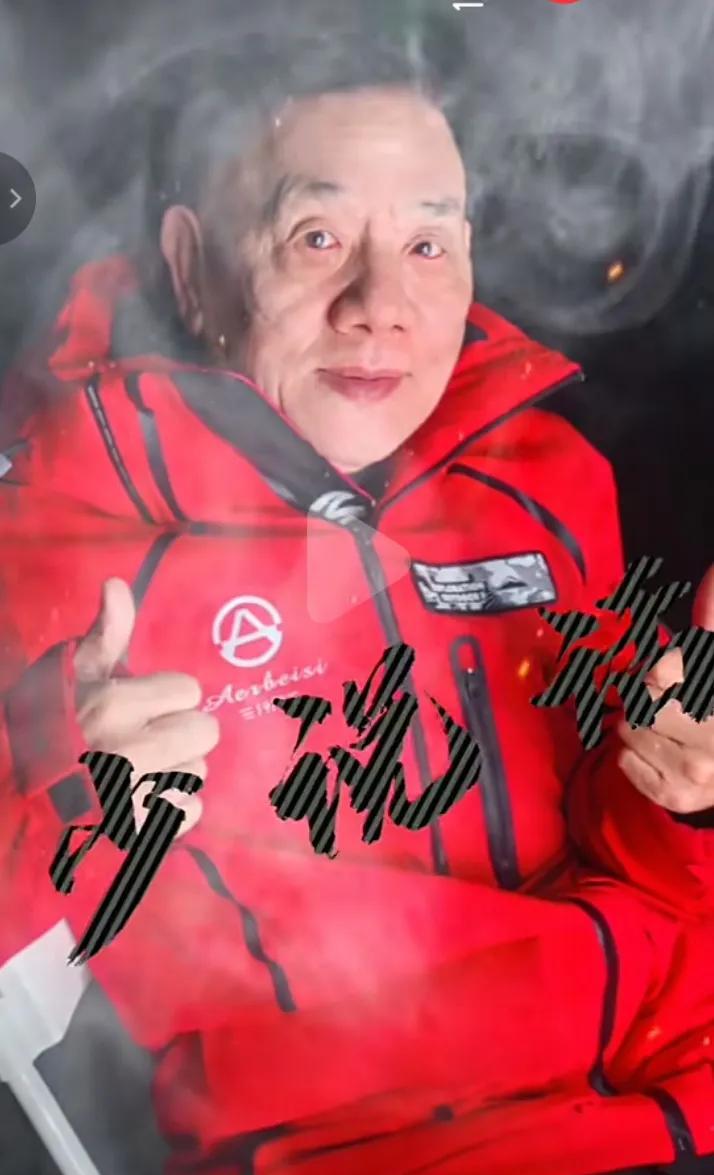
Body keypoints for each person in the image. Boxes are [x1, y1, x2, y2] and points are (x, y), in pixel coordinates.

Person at [1, 32, 713, 1175]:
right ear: (189, 264)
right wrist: (44, 756)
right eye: (317, 237)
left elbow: (635, 837)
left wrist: (685, 793)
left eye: (428, 243)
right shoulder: (50, 535)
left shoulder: (545, 476)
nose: (383, 306)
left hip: (678, 1072)